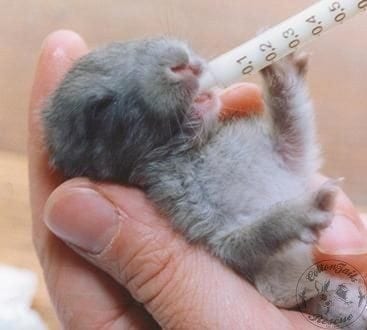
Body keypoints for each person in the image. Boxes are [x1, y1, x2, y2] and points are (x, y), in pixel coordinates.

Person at [28, 30, 367, 329]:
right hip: (302, 295)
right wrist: (286, 223)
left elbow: (290, 155)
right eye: (103, 107)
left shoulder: (226, 135)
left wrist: (285, 89)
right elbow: (230, 246)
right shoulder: (170, 186)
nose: (180, 62)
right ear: (96, 163)